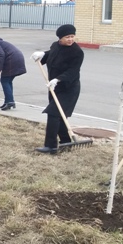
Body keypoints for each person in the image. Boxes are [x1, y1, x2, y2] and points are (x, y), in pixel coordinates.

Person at [30, 24, 84, 154]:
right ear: (60, 38)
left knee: (53, 113)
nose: (70, 39)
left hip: (69, 88)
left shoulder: (77, 52)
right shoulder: (55, 45)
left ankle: (51, 146)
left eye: (72, 36)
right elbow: (52, 54)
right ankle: (66, 141)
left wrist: (58, 79)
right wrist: (42, 54)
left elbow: (73, 71)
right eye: (67, 37)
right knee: (59, 116)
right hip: (54, 87)